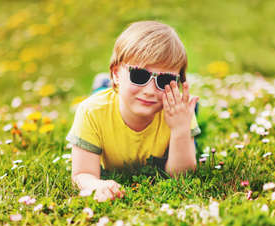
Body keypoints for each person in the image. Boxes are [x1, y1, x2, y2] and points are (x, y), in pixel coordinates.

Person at [66, 21, 201, 202]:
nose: (150, 90)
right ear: (115, 73)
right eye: (139, 75)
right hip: (110, 101)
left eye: (165, 80)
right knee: (102, 96)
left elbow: (181, 176)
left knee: (190, 114)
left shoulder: (180, 112)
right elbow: (82, 174)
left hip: (165, 110)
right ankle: (104, 85)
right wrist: (97, 185)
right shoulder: (91, 111)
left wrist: (180, 130)